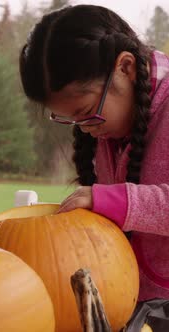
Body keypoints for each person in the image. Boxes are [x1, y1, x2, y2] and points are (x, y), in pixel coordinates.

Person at [19, 4, 169, 301]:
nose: (85, 129)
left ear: (125, 68)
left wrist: (113, 200)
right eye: (71, 120)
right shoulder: (110, 125)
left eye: (87, 113)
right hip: (130, 304)